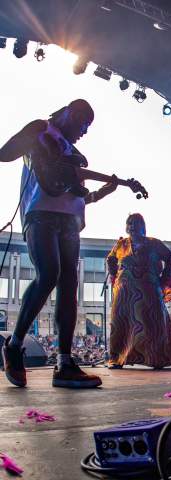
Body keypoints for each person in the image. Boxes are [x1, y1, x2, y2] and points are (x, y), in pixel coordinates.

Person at [0, 99, 117, 388]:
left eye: (88, 127)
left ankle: (65, 362)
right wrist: (31, 134)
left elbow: (80, 196)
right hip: (40, 214)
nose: (84, 131)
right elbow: (5, 154)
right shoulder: (43, 131)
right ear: (66, 113)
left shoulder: (73, 156)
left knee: (68, 284)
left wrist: (104, 191)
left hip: (70, 221)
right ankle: (14, 346)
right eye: (81, 123)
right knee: (49, 274)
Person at [106, 214, 171, 369]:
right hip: (124, 293)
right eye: (129, 223)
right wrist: (114, 274)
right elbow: (110, 259)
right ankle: (117, 359)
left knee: (153, 323)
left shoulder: (153, 243)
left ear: (142, 226)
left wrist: (164, 276)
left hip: (149, 289)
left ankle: (156, 358)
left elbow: (170, 257)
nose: (132, 226)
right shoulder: (121, 244)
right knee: (120, 324)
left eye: (135, 223)